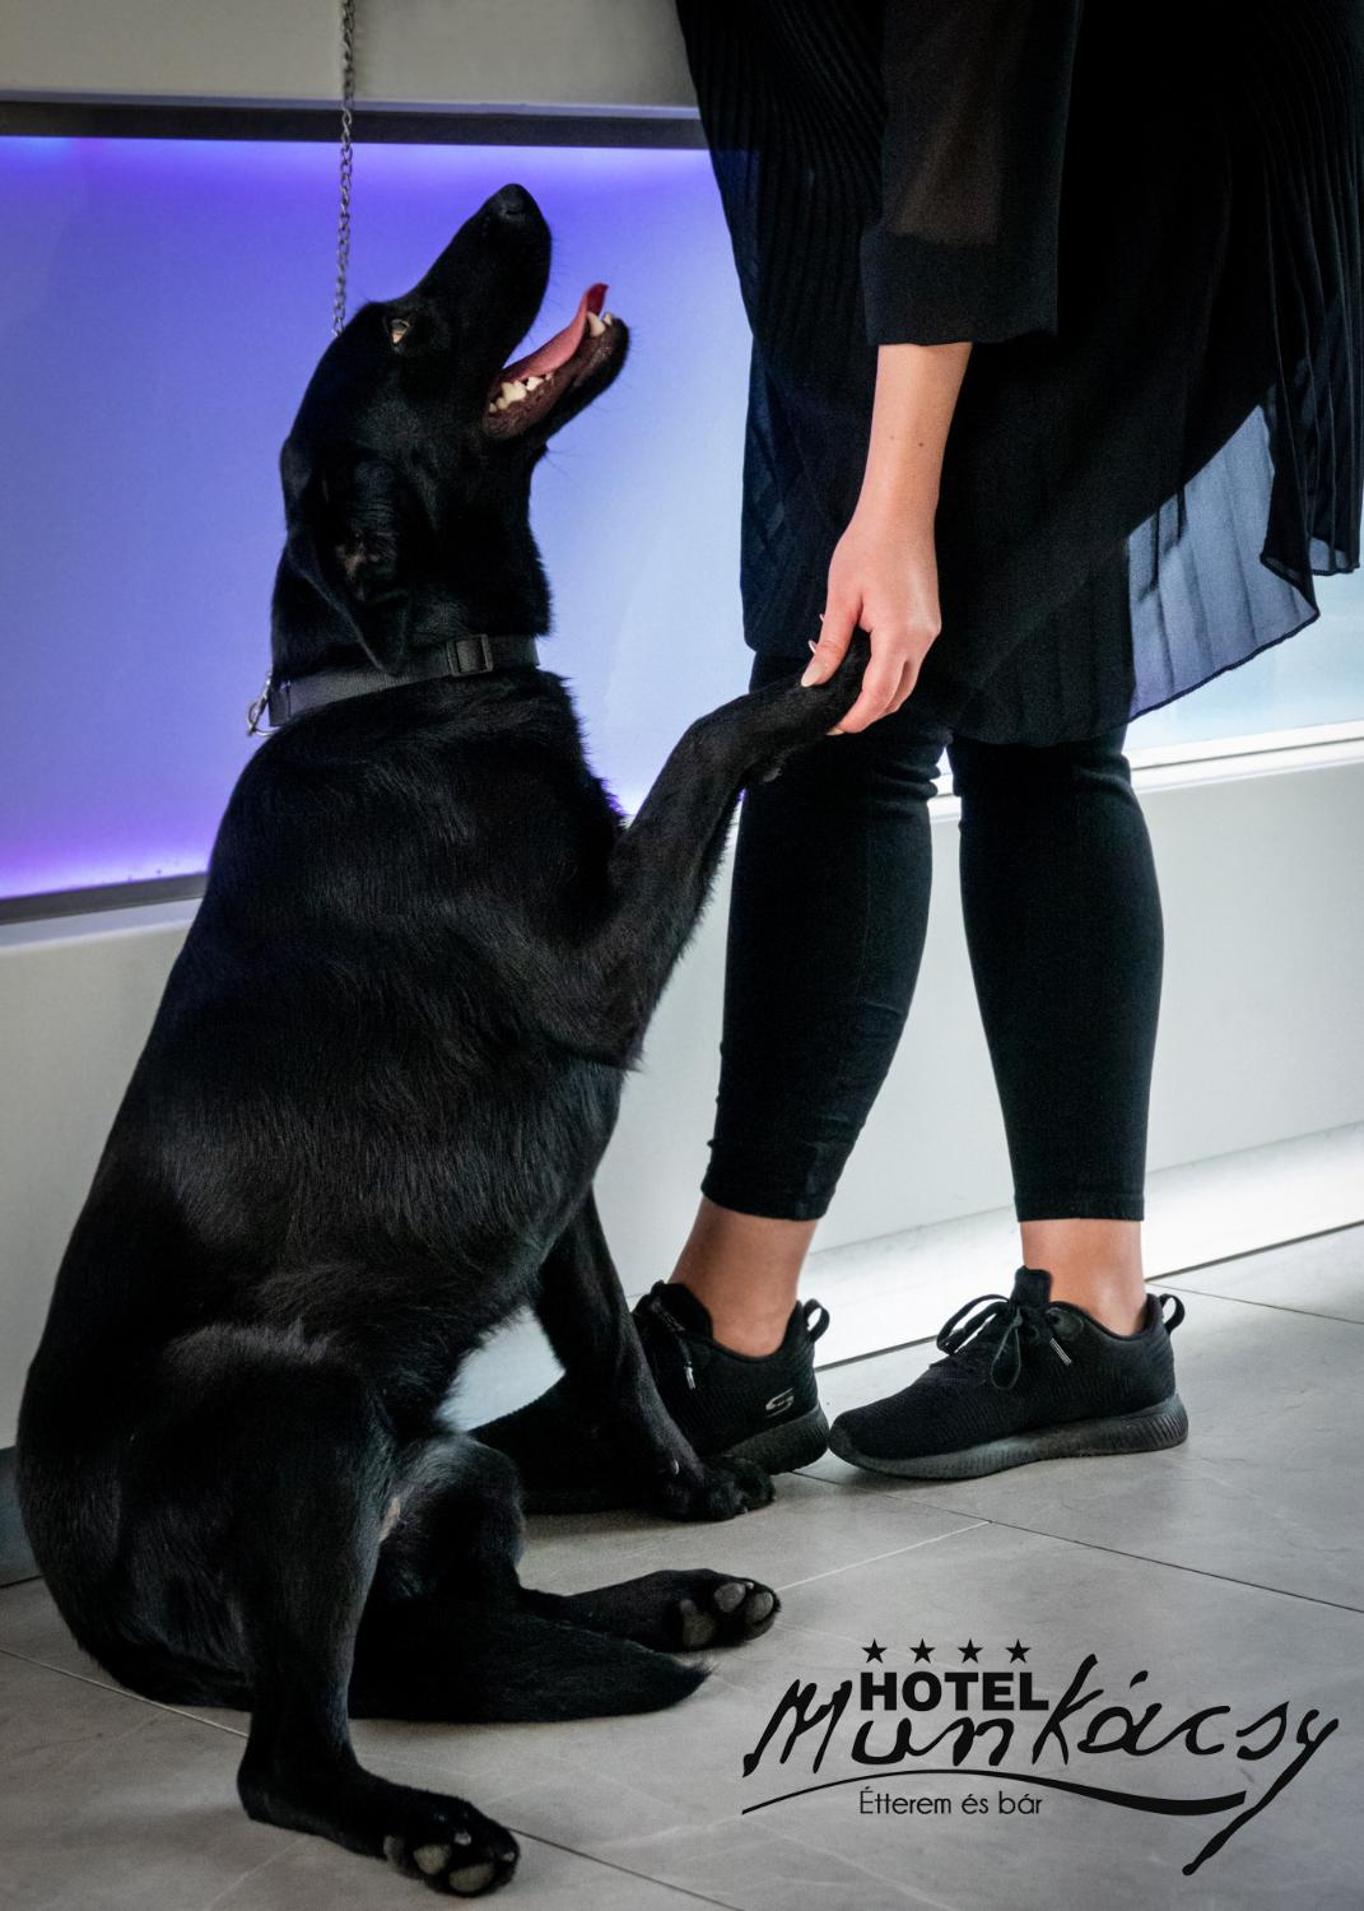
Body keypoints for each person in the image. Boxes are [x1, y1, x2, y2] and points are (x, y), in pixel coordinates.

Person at [481, 0, 1364, 1498]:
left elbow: (970, 69)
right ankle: (1091, 1316)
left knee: (843, 710)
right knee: (1039, 718)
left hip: (1089, 157)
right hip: (1017, 156)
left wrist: (893, 505)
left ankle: (730, 1344)